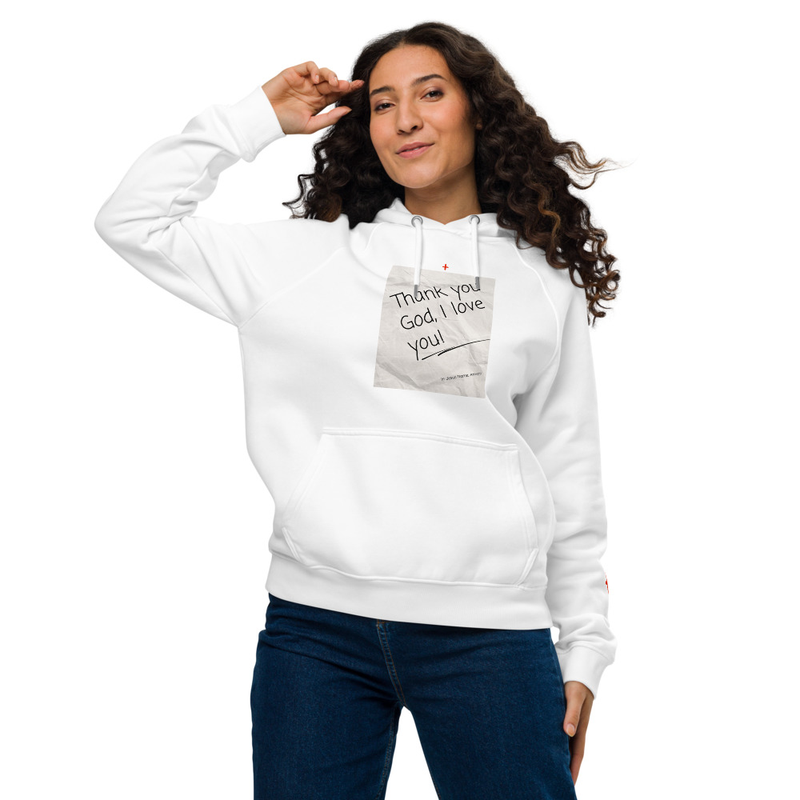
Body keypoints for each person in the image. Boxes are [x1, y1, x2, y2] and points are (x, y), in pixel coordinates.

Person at [94, 20, 620, 800]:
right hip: (317, 632)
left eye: (430, 94)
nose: (405, 119)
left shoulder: (542, 285)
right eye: (381, 103)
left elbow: (567, 468)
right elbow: (130, 220)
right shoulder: (302, 262)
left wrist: (584, 647)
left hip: (490, 639)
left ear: (478, 110)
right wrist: (256, 117)